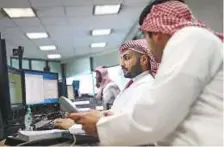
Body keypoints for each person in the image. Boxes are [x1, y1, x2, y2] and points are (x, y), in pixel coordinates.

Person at [68, 0, 223, 146]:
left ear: (156, 33)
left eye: (145, 37)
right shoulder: (196, 41)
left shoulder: (189, 38)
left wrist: (99, 125)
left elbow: (154, 119)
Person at [55, 39, 158, 131]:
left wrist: (74, 127)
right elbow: (115, 115)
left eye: (126, 58)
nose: (121, 64)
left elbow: (125, 128)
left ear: (144, 60)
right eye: (121, 59)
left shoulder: (145, 87)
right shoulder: (134, 84)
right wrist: (85, 118)